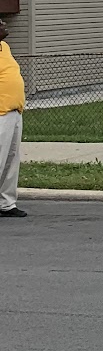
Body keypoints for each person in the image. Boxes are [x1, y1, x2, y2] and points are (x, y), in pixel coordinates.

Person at [0, 20, 27, 217]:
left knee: (11, 160)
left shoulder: (4, 47)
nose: (3, 23)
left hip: (14, 111)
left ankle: (6, 203)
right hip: (0, 113)